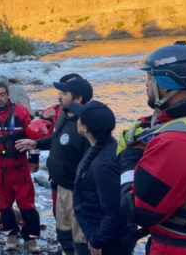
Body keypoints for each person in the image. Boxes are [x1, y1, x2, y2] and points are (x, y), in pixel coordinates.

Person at [117, 42, 186, 255]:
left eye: (149, 79)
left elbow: (138, 211)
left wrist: (129, 159)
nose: (147, 86)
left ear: (166, 85)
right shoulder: (181, 126)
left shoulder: (174, 142)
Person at [15, 75, 93, 255]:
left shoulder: (88, 123)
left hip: (77, 190)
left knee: (80, 236)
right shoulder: (64, 115)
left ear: (78, 99)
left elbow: (96, 159)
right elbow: (55, 140)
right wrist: (35, 144)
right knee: (63, 229)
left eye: (63, 93)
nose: (59, 97)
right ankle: (66, 251)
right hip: (59, 184)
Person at [0, 80, 41, 253]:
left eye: (2, 95)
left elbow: (34, 137)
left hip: (19, 166)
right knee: (3, 205)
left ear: (8, 95)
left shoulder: (21, 112)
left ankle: (31, 238)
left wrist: (34, 159)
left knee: (27, 204)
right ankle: (11, 234)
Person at [71, 101, 135, 255]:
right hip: (101, 232)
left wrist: (96, 242)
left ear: (86, 128)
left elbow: (114, 211)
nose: (76, 120)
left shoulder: (103, 165)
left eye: (79, 117)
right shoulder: (102, 146)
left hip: (110, 241)